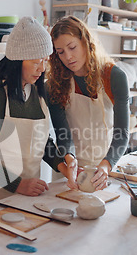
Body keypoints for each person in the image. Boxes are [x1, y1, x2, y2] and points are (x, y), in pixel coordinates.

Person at [0, 16, 76, 208]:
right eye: (36, 62)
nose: (42, 68)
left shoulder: (36, 89)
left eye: (45, 61)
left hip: (26, 198)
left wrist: (63, 166)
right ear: (17, 59)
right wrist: (18, 184)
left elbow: (40, 141)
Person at [47, 16, 130, 191]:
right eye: (60, 52)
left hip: (105, 164)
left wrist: (107, 165)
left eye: (72, 47)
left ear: (85, 42)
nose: (68, 57)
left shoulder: (113, 76)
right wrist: (69, 159)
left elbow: (122, 133)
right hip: (71, 168)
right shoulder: (56, 83)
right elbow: (62, 132)